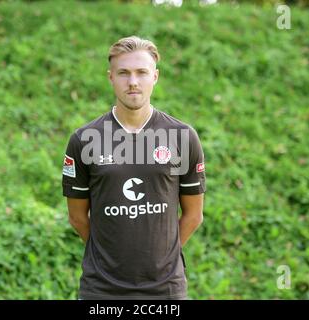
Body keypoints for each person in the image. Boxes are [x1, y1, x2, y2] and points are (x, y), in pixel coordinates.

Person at [62, 35, 206, 300]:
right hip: (101, 291)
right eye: (123, 73)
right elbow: (77, 217)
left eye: (142, 72)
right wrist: (107, 258)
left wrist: (162, 258)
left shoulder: (182, 137)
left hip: (166, 290)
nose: (133, 82)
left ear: (155, 76)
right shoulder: (84, 139)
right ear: (110, 77)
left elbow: (193, 215)